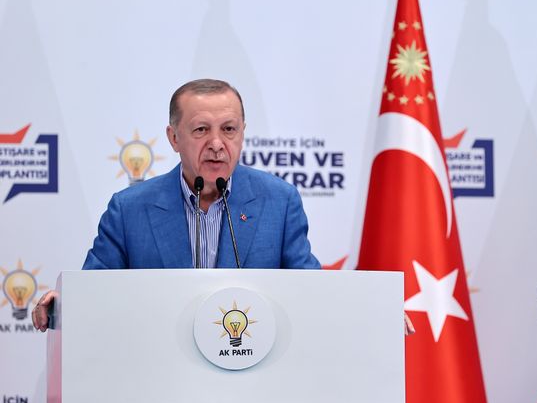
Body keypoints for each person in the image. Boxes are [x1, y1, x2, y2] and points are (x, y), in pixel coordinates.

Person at [32, 78, 321, 331]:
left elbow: (311, 292)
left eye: (229, 129)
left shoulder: (279, 201)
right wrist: (64, 304)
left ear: (242, 132)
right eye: (201, 130)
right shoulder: (130, 210)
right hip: (160, 376)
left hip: (252, 374)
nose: (217, 143)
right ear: (174, 138)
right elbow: (94, 291)